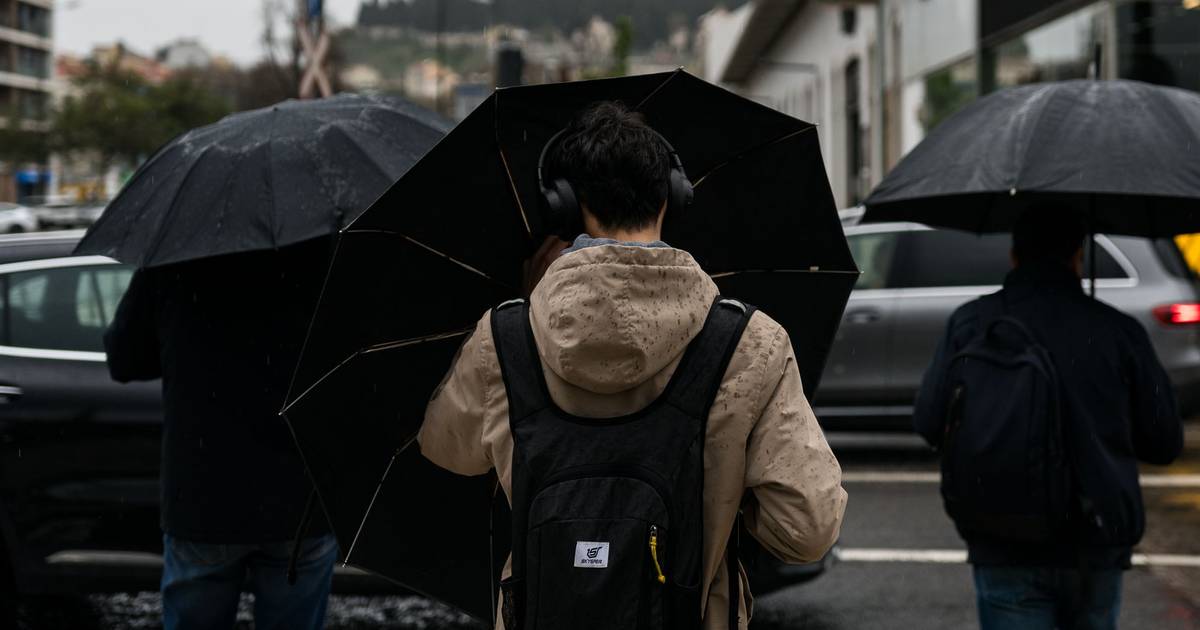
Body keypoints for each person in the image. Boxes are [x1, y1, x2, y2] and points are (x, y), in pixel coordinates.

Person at [418, 101, 847, 629]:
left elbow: (446, 450)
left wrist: (523, 320)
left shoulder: (504, 338)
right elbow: (807, 529)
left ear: (566, 206)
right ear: (673, 195)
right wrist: (722, 490)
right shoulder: (750, 343)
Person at [913, 210, 1184, 630]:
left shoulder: (972, 324)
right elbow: (1164, 442)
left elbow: (928, 421)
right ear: (1077, 257)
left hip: (1002, 534)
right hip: (1098, 537)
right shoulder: (1117, 330)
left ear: (1013, 256)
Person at [105, 238, 338, 630]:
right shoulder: (327, 253)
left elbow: (124, 359)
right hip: (301, 495)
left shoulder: (176, 256)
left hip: (204, 493)